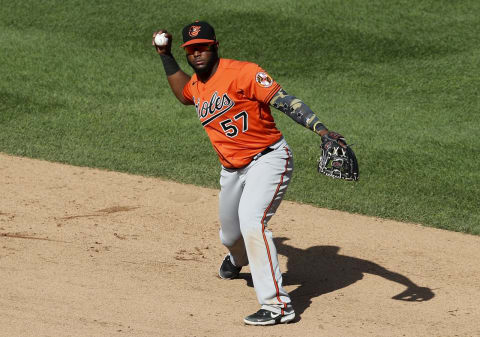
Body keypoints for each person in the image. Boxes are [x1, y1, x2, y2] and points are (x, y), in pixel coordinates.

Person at [152, 21, 340, 326]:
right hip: (231, 170)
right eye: (191, 50)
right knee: (229, 235)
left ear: (215, 46)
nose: (197, 53)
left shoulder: (244, 72)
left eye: (203, 47)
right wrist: (165, 55)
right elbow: (183, 94)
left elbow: (285, 100)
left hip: (268, 160)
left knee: (253, 222)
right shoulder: (197, 85)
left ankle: (278, 306)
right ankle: (238, 259)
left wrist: (320, 128)